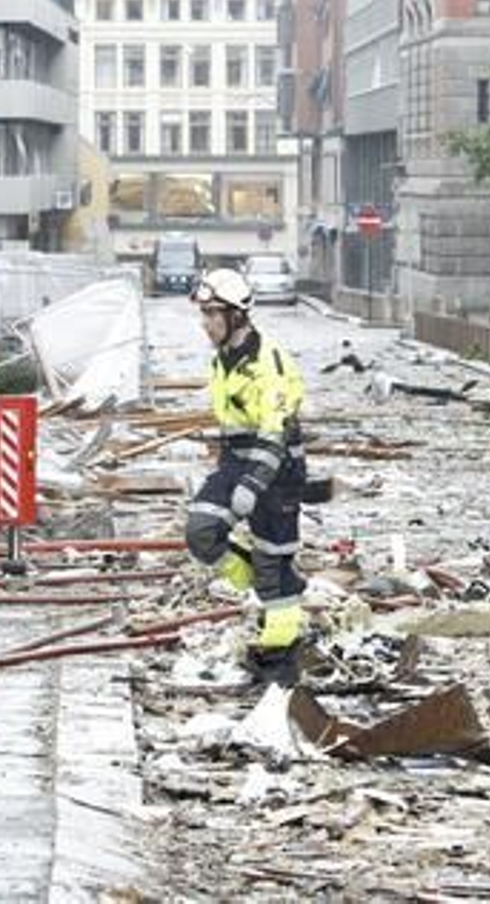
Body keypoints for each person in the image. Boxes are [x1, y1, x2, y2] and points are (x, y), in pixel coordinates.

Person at [184, 268, 308, 685]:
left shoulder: (266, 362)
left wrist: (253, 484)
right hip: (236, 461)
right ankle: (264, 582)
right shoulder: (223, 359)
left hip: (277, 468)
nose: (205, 324)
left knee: (275, 562)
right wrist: (233, 478)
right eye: (203, 315)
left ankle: (281, 656)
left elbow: (276, 431)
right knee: (201, 530)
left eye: (211, 315)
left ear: (235, 316)